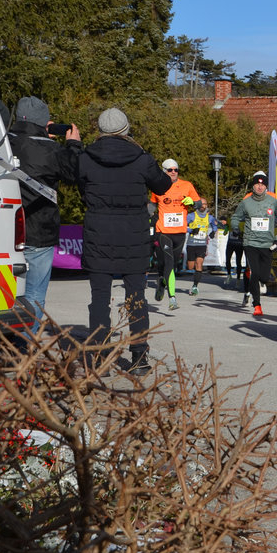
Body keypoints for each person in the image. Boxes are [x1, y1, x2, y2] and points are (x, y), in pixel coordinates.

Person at [77, 107, 172, 375]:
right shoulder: (142, 159)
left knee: (99, 299)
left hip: (98, 234)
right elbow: (163, 186)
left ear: (100, 130)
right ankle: (139, 359)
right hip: (134, 236)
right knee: (136, 298)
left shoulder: (86, 158)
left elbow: (82, 188)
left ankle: (99, 359)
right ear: (126, 129)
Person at [7, 96, 82, 334]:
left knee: (4, 294)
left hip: (4, 231)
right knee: (35, 293)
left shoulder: (3, 144)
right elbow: (74, 173)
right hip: (40, 230)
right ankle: (27, 346)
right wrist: (73, 145)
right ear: (44, 122)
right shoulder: (52, 149)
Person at [230, 173, 277, 318]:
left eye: (262, 184)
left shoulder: (273, 202)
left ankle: (256, 284)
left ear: (266, 186)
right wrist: (235, 227)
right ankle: (257, 305)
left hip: (267, 244)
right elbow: (235, 217)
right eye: (257, 184)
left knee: (265, 277)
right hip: (250, 243)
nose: (260, 187)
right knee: (255, 273)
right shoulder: (246, 203)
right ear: (253, 186)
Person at [151, 157, 200, 310]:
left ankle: (162, 282)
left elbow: (199, 203)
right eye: (170, 170)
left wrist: (192, 203)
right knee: (169, 263)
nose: (173, 172)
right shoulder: (158, 187)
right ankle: (172, 298)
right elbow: (151, 207)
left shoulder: (187, 185)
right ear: (164, 171)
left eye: (175, 170)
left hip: (180, 232)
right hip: (163, 231)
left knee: (172, 264)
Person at [184, 198, 217, 296]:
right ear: (197, 205)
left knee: (199, 263)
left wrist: (213, 232)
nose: (203, 206)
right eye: (201, 204)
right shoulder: (191, 216)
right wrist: (191, 230)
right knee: (190, 266)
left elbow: (214, 225)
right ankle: (195, 275)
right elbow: (182, 226)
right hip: (191, 244)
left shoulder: (210, 217)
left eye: (205, 204)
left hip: (202, 244)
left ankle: (195, 286)